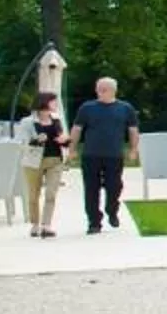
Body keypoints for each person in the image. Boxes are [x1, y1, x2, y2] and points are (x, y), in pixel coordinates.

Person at [71, 75, 139, 235]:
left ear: (113, 91)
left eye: (103, 90)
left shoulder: (125, 108)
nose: (99, 92)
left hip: (114, 155)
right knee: (91, 189)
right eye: (98, 89)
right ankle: (94, 222)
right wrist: (72, 148)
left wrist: (133, 149)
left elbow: (133, 130)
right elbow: (77, 128)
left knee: (115, 186)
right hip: (91, 154)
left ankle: (112, 209)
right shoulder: (87, 108)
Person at [16, 91, 68, 237]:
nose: (56, 104)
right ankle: (35, 224)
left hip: (55, 160)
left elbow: (63, 138)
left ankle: (46, 225)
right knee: (33, 195)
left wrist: (65, 141)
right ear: (44, 102)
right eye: (53, 101)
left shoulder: (57, 119)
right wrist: (36, 140)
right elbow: (21, 143)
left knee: (51, 193)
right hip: (34, 162)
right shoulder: (27, 122)